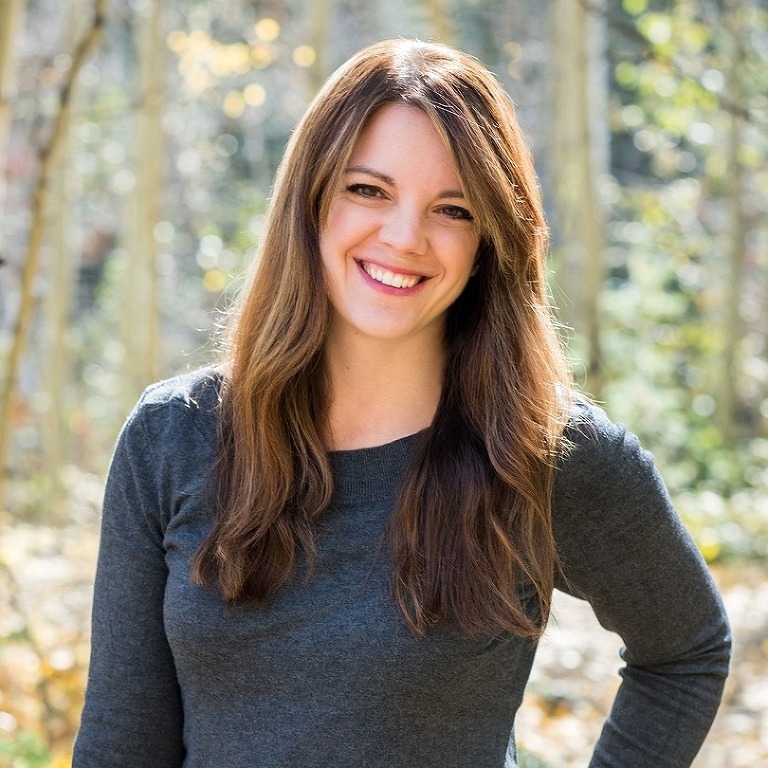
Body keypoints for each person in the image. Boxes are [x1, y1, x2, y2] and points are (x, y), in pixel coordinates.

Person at [73, 38, 731, 768]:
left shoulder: (545, 450)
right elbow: (119, 744)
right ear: (311, 199)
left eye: (453, 209)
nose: (404, 237)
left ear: (489, 239)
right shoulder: (173, 438)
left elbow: (686, 650)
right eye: (369, 190)